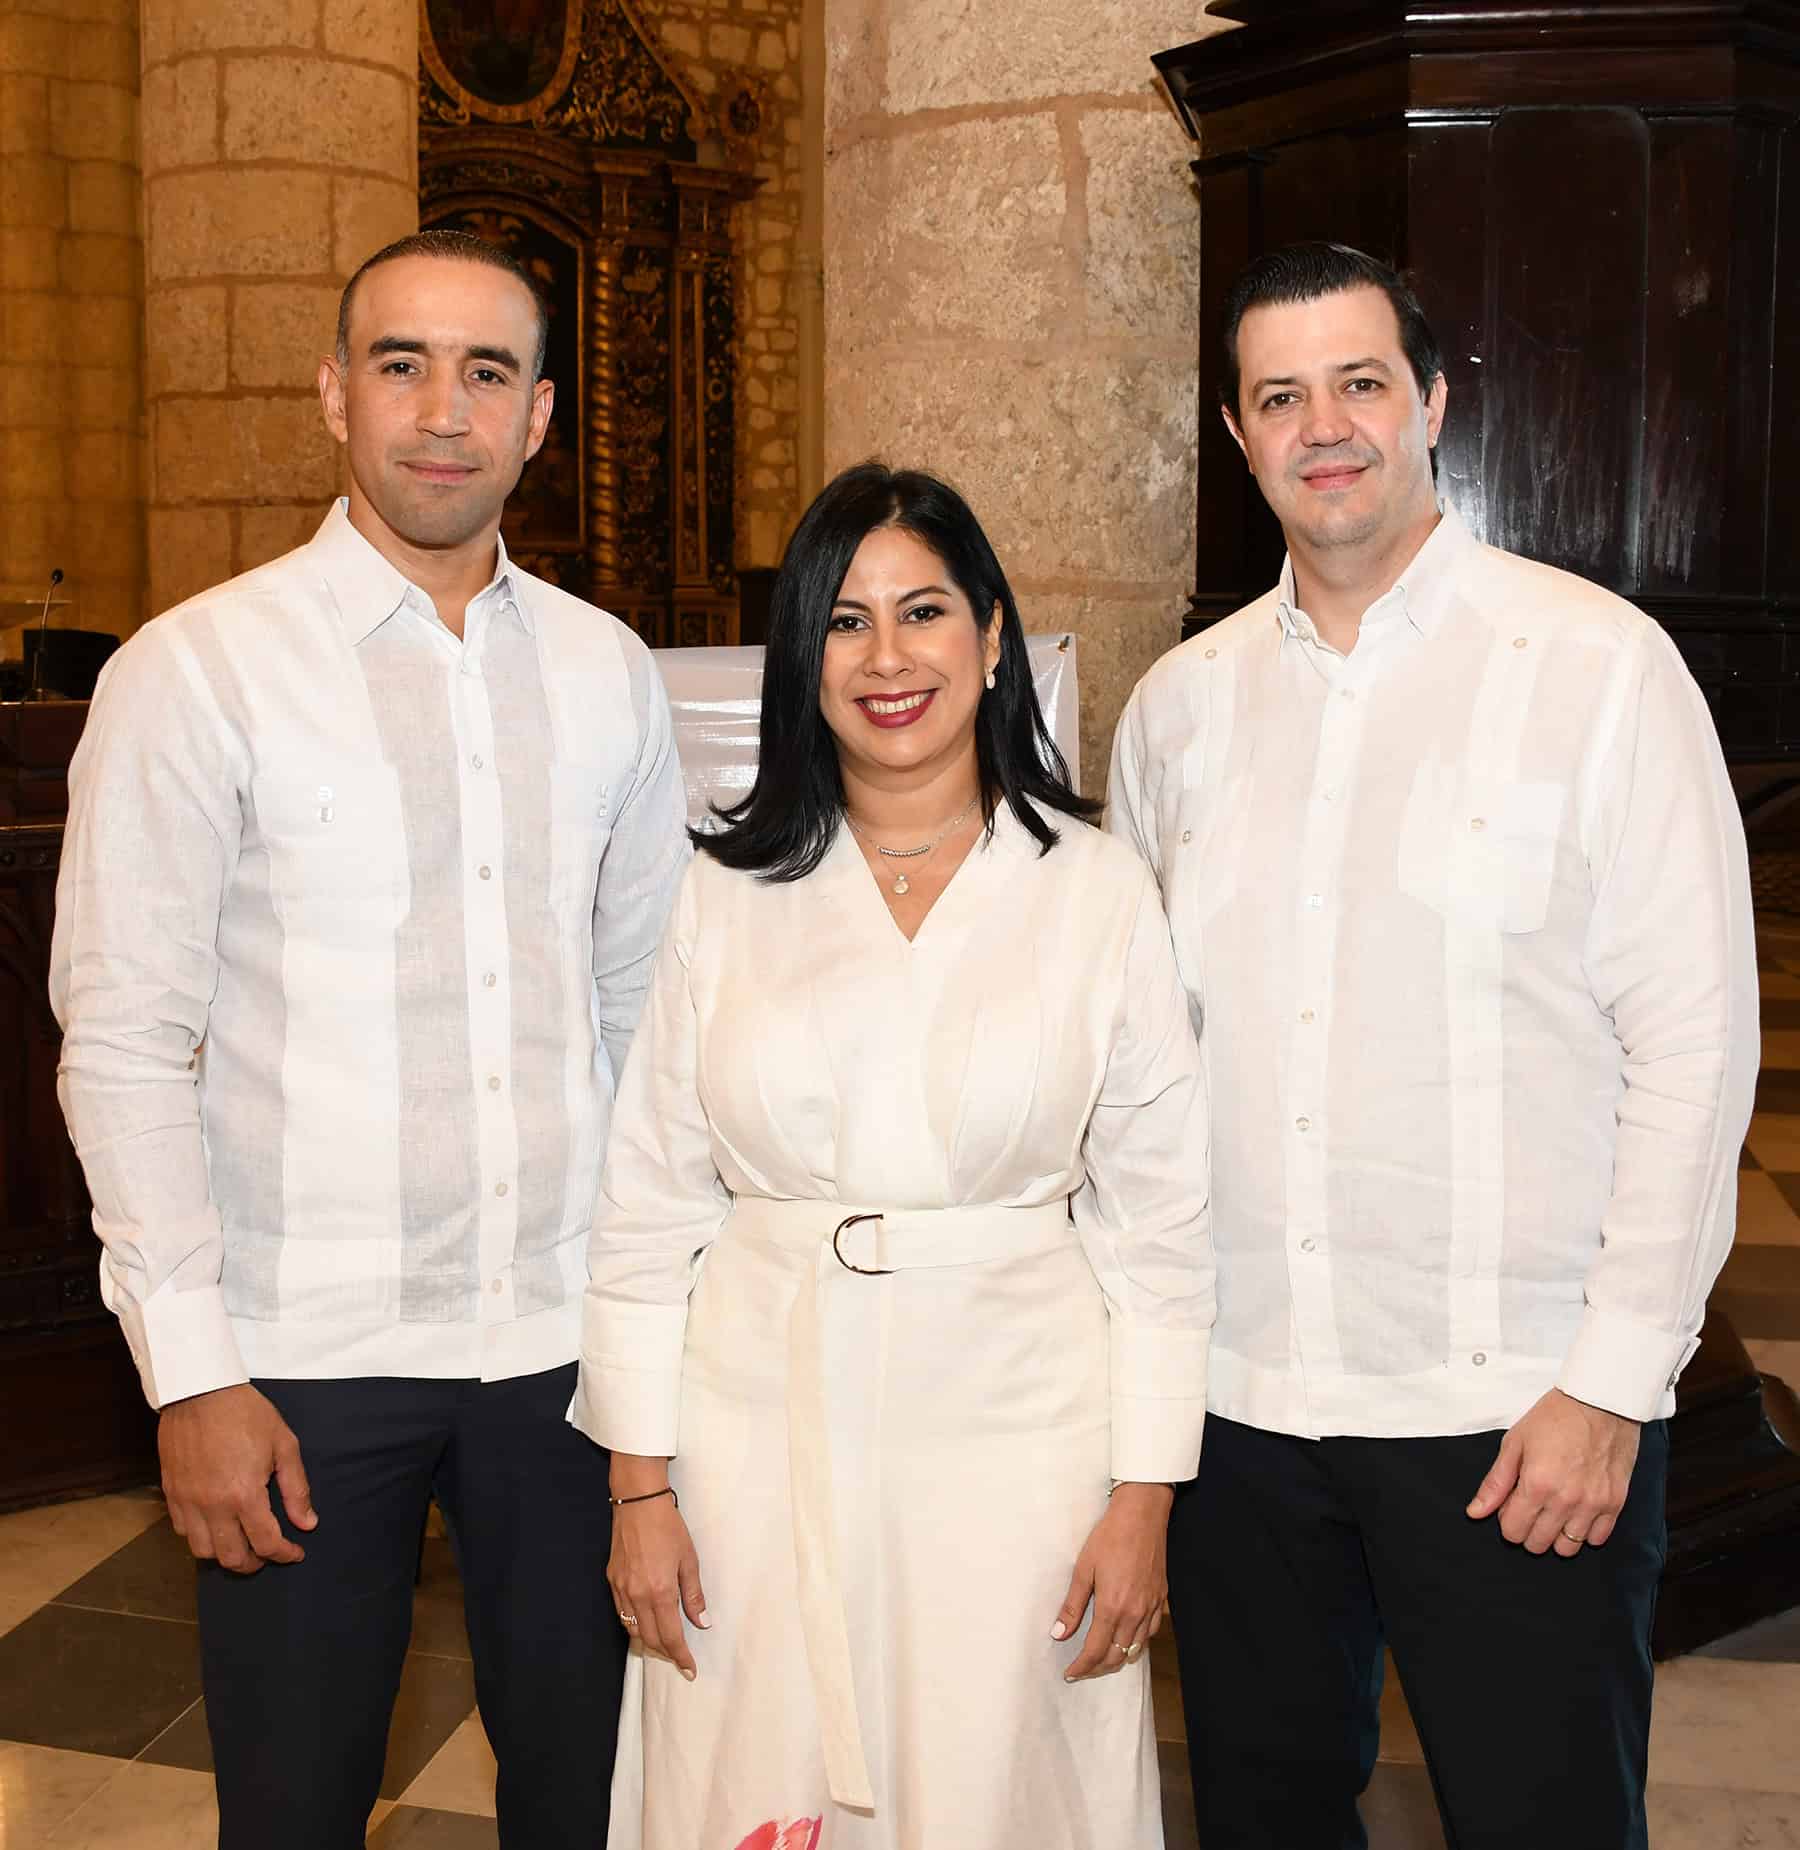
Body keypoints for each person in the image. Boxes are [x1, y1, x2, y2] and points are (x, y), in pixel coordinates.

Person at [1109, 240, 1759, 1849]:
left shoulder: (1599, 670)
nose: (1324, 426)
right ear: (1238, 432)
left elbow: (1694, 1047)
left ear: (1434, 403)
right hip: (1240, 1409)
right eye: (1281, 396)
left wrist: (1613, 1379)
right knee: (1264, 1816)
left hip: (1512, 1411)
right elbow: (1135, 1072)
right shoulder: (1176, 715)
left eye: (1360, 384)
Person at [50, 229, 689, 1849]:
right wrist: (189, 1373)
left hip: (565, 1353)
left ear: (540, 416)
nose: (442, 410)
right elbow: (124, 1039)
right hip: (303, 1357)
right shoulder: (197, 672)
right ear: (336, 395)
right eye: (400, 363)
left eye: (487, 372)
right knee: (296, 1803)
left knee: (590, 1794)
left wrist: (667, 1334)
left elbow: (648, 1013)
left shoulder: (612, 677)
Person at [569, 462, 1215, 1850]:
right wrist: (641, 1486)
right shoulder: (726, 896)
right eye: (843, 622)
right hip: (750, 1430)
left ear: (992, 639)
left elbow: (1161, 1225)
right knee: (754, 1765)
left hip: (1020, 1443)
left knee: (1001, 1779)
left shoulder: (1097, 894)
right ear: (800, 665)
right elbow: (646, 1207)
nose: (886, 655)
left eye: (923, 610)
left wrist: (1144, 1491)